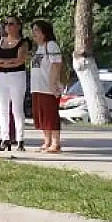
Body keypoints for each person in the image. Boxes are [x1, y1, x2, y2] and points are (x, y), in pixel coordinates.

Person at [0, 16, 29, 152]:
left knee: (17, 108)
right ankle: (4, 138)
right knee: (3, 109)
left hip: (17, 76)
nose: (8, 26)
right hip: (2, 76)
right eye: (6, 24)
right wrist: (6, 62)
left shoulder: (23, 42)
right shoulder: (0, 41)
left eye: (11, 24)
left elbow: (20, 60)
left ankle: (20, 140)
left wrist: (2, 62)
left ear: (18, 26)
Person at [30, 20, 64, 153]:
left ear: (45, 32)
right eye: (33, 31)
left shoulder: (51, 45)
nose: (34, 34)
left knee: (51, 115)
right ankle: (47, 141)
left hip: (48, 88)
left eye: (37, 30)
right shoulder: (39, 48)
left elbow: (57, 64)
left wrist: (53, 84)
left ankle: (56, 143)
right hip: (37, 87)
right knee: (42, 116)